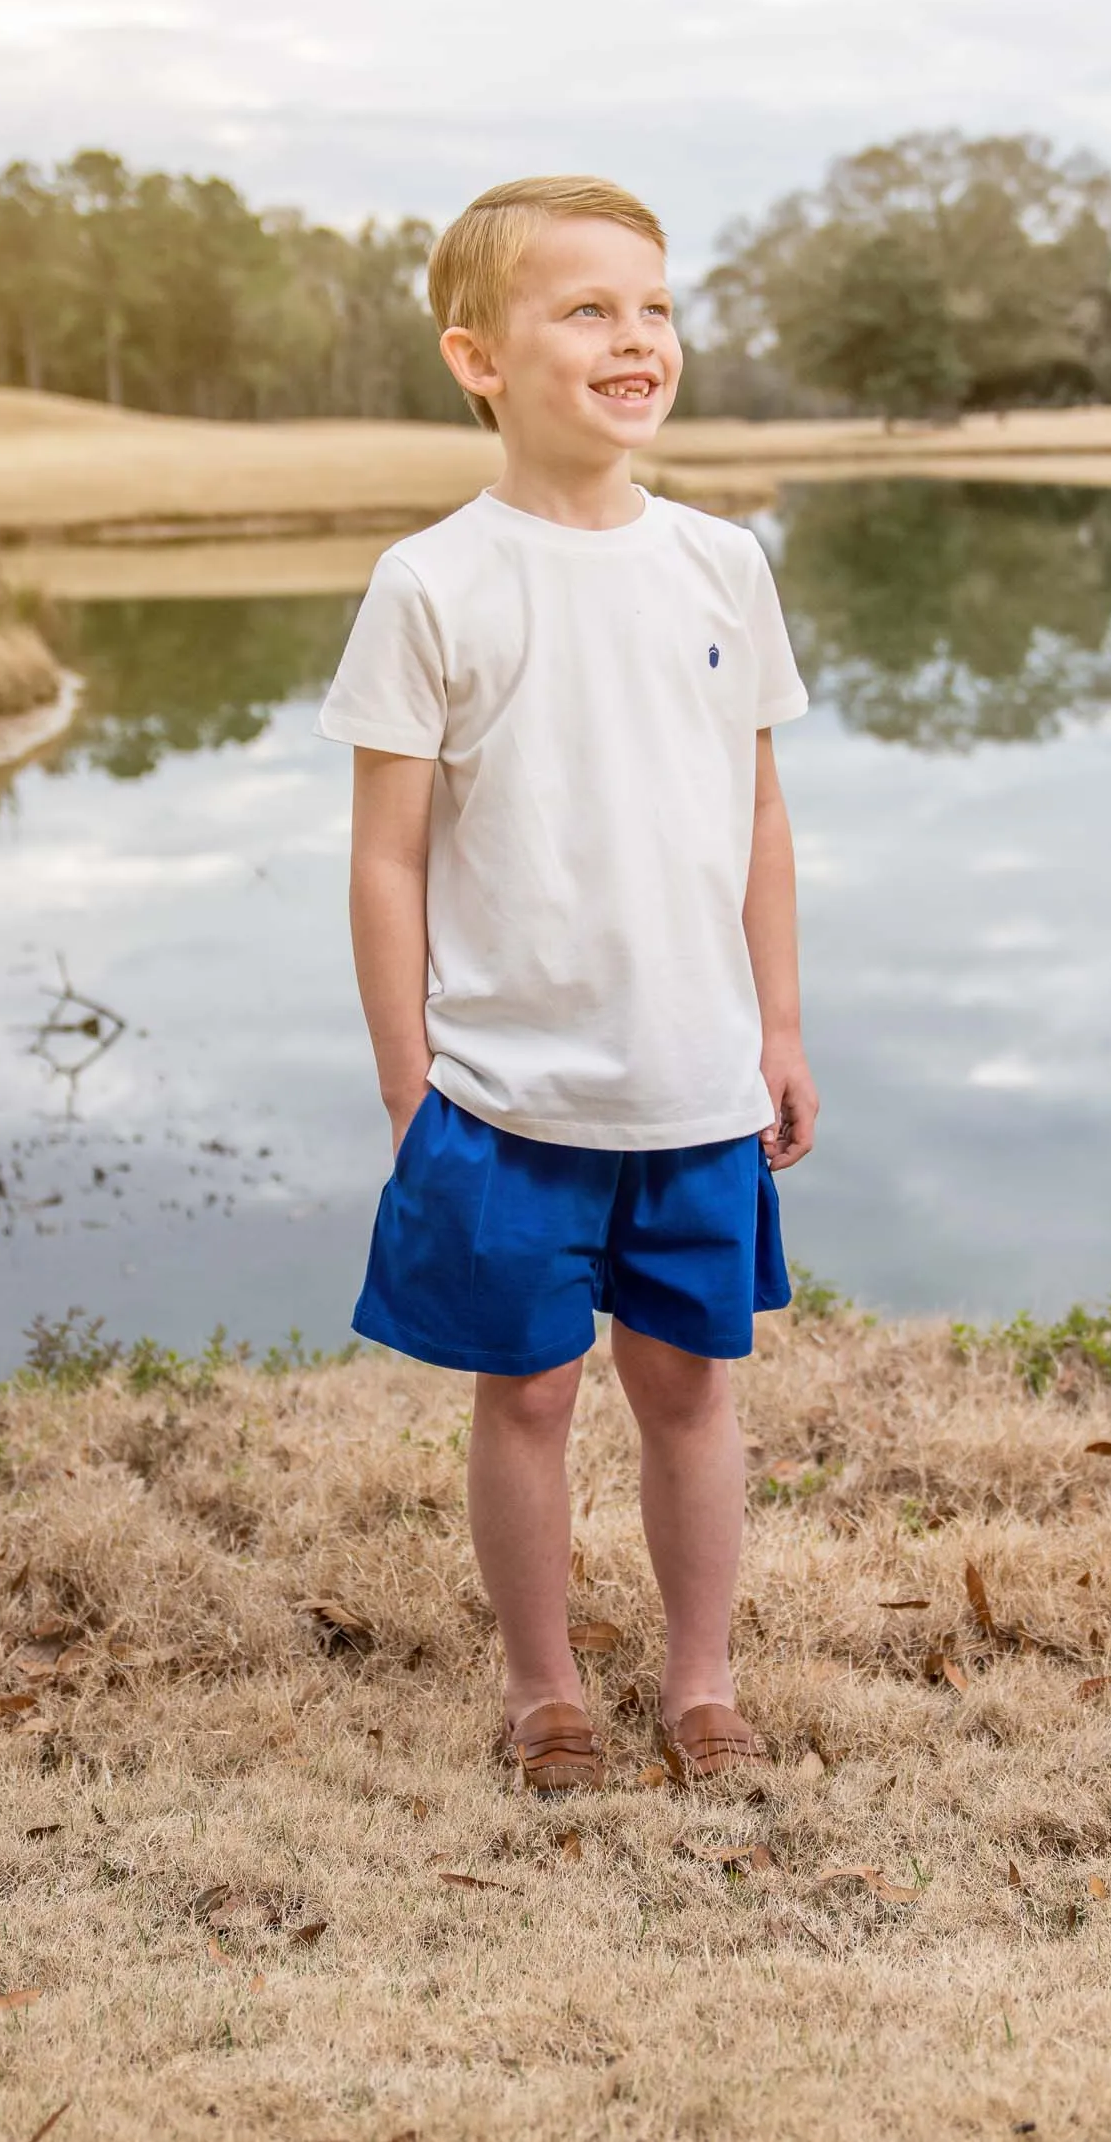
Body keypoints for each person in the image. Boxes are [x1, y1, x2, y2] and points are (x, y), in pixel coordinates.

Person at [316, 176, 817, 1794]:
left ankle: (701, 1686)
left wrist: (780, 1029)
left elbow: (754, 811)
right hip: (505, 1087)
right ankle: (544, 1694)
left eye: (654, 306)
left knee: (690, 1389)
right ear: (479, 357)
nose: (635, 338)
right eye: (587, 308)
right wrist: (410, 1083)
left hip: (693, 1072)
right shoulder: (433, 584)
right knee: (524, 1394)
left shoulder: (721, 565)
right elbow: (387, 857)